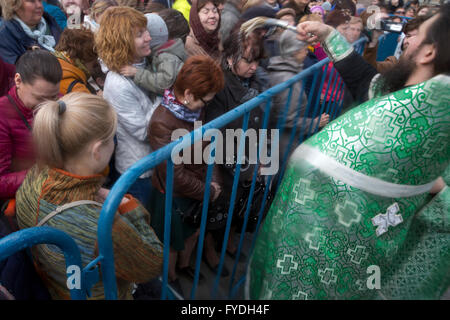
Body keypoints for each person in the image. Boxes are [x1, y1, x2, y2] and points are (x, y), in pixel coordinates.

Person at [247, 3, 450, 300]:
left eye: (418, 35)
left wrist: (436, 188)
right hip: (308, 242)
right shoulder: (408, 102)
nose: (407, 40)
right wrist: (329, 35)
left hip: (356, 253)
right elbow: (367, 82)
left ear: (429, 52)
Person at [15, 92, 164, 300]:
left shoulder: (35, 176)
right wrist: (126, 205)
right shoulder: (103, 224)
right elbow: (153, 262)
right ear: (97, 151)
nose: (115, 142)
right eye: (113, 137)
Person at [148, 55, 225, 297]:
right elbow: (174, 174)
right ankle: (171, 277)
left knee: (193, 233)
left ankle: (185, 266)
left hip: (200, 186)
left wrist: (214, 179)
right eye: (205, 99)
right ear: (189, 94)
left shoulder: (195, 111)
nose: (206, 105)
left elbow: (207, 146)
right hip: (174, 195)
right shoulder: (161, 123)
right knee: (172, 241)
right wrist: (209, 191)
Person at [205, 25, 269, 274]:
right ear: (230, 58)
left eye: (257, 61)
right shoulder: (220, 86)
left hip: (247, 155)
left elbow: (260, 120)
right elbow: (216, 136)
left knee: (237, 205)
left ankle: (226, 243)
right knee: (218, 211)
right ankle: (210, 251)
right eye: (249, 61)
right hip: (226, 163)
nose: (254, 67)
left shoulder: (252, 81)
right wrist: (247, 167)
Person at [96, 6, 162, 206]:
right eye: (140, 35)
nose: (149, 37)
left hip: (155, 162)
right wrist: (164, 96)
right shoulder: (117, 83)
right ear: (123, 42)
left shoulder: (146, 63)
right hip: (138, 171)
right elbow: (143, 131)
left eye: (146, 31)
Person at [0, 50, 61, 202]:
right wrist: (45, 173)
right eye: (40, 98)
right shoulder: (3, 115)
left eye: (53, 96)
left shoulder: (61, 102)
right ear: (18, 80)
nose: (48, 105)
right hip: (25, 199)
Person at [267, 29, 329, 163]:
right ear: (294, 51)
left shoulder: (287, 71)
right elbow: (286, 119)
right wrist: (314, 122)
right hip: (284, 143)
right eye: (304, 49)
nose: (307, 52)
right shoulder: (287, 80)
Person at [119, 13, 187, 96]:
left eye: (143, 33)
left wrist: (137, 73)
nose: (147, 38)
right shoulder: (165, 51)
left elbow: (165, 83)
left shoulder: (166, 56)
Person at [0, 0, 62, 64]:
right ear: (14, 5)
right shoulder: (4, 36)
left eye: (40, 0)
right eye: (31, 1)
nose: (39, 5)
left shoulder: (50, 22)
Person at [53, 27, 101, 95]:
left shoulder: (52, 63)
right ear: (84, 59)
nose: (97, 63)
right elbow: (92, 105)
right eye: (94, 63)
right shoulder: (77, 89)